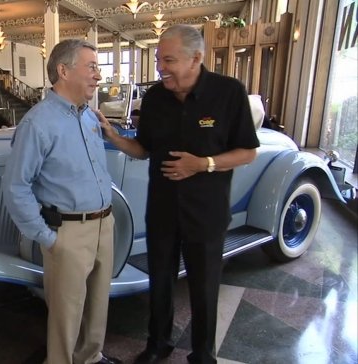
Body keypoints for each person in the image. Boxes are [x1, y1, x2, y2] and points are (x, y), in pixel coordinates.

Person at [98, 24, 260, 364]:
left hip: (206, 211)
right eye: (158, 59)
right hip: (162, 209)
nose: (160, 67)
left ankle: (203, 354)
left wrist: (204, 164)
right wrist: (114, 137)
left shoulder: (228, 92)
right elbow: (143, 149)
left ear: (196, 58)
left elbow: (247, 152)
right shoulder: (155, 97)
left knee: (204, 286)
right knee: (160, 281)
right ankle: (158, 344)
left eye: (168, 60)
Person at [2, 39, 121, 364]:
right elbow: (16, 187)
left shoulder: (89, 118)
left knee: (98, 304)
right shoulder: (38, 124)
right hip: (68, 234)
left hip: (103, 226)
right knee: (66, 315)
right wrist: (47, 238)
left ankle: (91, 357)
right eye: (92, 67)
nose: (99, 76)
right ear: (63, 70)